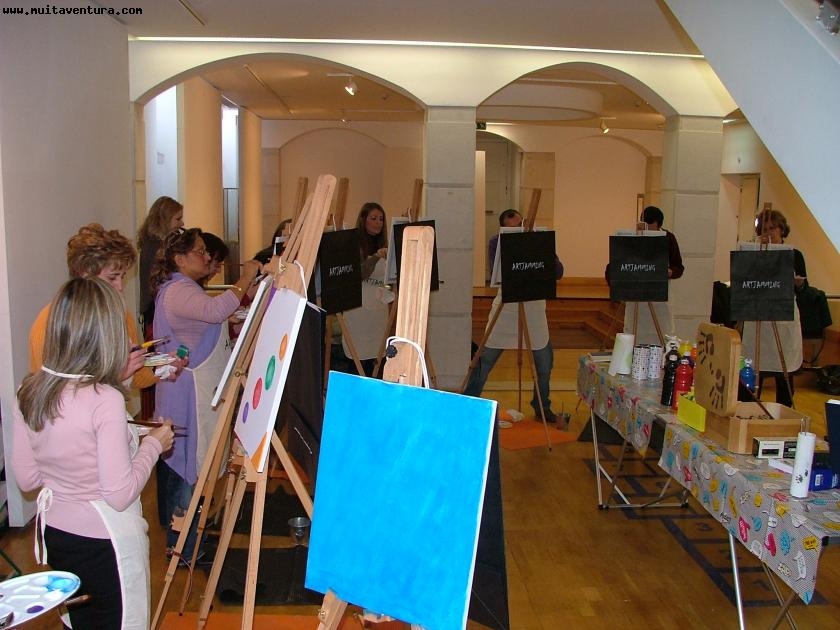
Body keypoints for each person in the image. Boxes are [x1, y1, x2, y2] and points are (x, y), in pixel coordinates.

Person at [12, 277, 174, 629]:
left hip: (57, 534)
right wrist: (153, 445)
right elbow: (118, 494)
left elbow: (28, 478)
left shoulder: (29, 389)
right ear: (105, 335)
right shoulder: (104, 400)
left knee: (79, 622)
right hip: (106, 541)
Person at [151, 227, 261, 561]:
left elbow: (209, 321)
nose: (206, 257)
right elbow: (215, 312)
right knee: (187, 472)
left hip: (192, 391)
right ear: (179, 259)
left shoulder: (186, 288)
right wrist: (246, 277)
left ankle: (187, 540)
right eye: (199, 252)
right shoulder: (177, 291)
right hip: (186, 396)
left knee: (192, 471)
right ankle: (181, 549)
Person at [28, 224, 181, 393]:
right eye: (112, 278)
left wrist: (161, 367)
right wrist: (119, 376)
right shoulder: (51, 322)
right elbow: (55, 395)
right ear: (85, 274)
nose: (120, 286)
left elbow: (136, 375)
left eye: (122, 277)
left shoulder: (122, 316)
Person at [464, 209, 564, 423]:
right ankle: (469, 403)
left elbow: (558, 271)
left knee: (544, 363)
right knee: (484, 360)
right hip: (507, 306)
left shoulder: (539, 241)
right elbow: (498, 273)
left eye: (520, 224)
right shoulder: (496, 242)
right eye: (512, 228)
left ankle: (542, 406)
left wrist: (540, 250)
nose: (518, 229)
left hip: (534, 306)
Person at [740, 209, 805, 407]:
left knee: (783, 370)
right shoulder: (753, 253)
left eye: (772, 228)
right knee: (752, 367)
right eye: (764, 229)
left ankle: (784, 412)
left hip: (783, 319)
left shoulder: (794, 254)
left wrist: (798, 284)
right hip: (757, 317)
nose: (768, 233)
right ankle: (747, 409)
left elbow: (804, 288)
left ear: (782, 230)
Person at [605, 205, 684, 345]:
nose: (647, 230)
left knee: (663, 331)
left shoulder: (668, 238)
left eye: (650, 227)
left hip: (660, 296)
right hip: (636, 296)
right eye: (644, 225)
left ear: (659, 225)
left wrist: (670, 272)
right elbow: (616, 265)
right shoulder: (633, 238)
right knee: (634, 331)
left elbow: (678, 267)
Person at [340, 202, 393, 377]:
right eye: (373, 218)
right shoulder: (353, 244)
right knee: (357, 359)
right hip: (358, 311)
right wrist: (376, 257)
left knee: (377, 359)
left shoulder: (386, 245)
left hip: (378, 312)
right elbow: (359, 273)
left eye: (381, 219)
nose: (378, 223)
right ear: (363, 220)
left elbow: (387, 280)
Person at [137, 196, 185, 334]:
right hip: (156, 310)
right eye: (178, 219)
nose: (182, 223)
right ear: (164, 220)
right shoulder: (156, 248)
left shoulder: (151, 245)